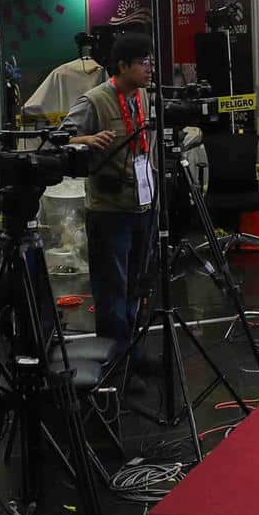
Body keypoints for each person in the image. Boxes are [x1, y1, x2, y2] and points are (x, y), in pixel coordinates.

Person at [63, 33, 154, 363]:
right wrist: (87, 138)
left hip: (142, 205)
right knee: (112, 290)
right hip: (109, 210)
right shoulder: (94, 100)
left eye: (150, 62)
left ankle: (134, 352)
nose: (150, 69)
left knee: (136, 287)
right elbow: (61, 138)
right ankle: (115, 362)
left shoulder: (144, 97)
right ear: (122, 66)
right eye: (143, 63)